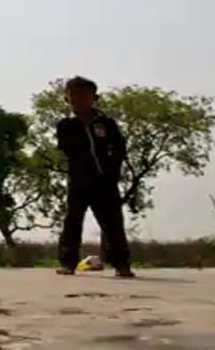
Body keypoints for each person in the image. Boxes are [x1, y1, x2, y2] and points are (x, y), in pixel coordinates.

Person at [55, 76, 134, 278]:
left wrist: (112, 171)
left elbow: (119, 148)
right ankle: (68, 262)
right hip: (79, 181)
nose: (77, 99)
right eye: (73, 95)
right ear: (67, 99)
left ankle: (121, 264)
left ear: (94, 98)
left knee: (112, 223)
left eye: (83, 95)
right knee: (72, 221)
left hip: (105, 181)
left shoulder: (106, 123)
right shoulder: (66, 125)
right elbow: (67, 149)